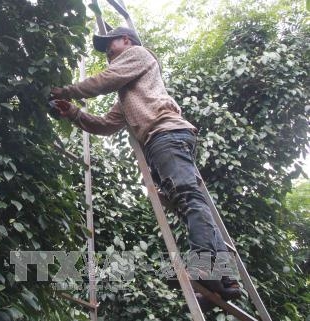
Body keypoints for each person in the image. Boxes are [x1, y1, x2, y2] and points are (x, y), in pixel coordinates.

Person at [50, 27, 240, 307]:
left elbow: (106, 80)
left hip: (166, 134)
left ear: (127, 40)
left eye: (109, 44)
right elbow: (105, 125)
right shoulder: (129, 97)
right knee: (190, 202)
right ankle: (226, 281)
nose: (107, 52)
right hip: (163, 139)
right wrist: (74, 112)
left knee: (188, 198)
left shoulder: (138, 54)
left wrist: (64, 90)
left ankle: (203, 267)